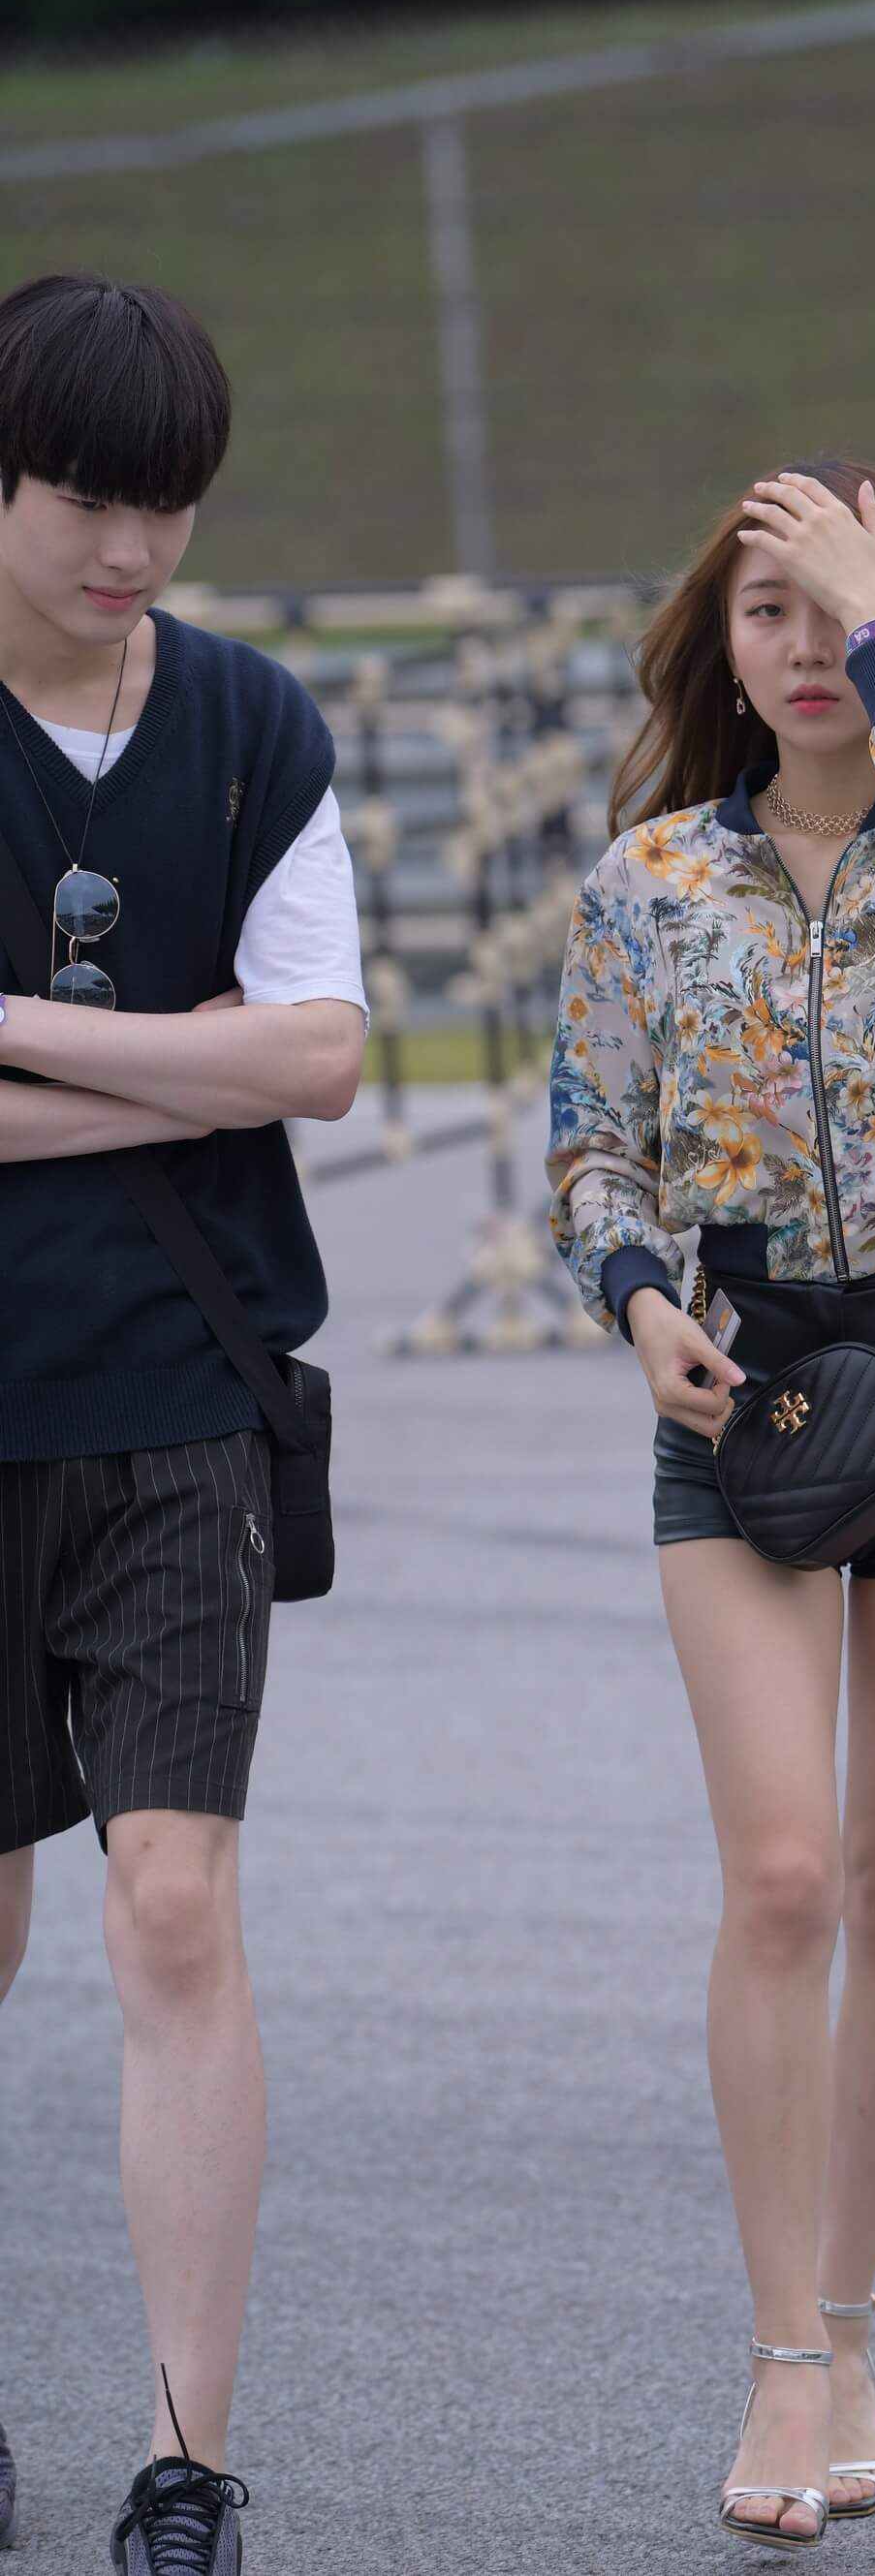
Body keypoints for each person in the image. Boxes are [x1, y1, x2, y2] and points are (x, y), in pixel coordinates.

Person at [547, 457, 875, 2549]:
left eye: (843, 607)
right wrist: (636, 1298)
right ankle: (779, 2355)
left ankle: (850, 2323)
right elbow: (593, 1143)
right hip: (740, 1384)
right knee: (781, 1878)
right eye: (767, 610)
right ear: (724, 650)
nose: (805, 647)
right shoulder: (651, 879)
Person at [0, 273, 368, 2574]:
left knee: (174, 1908)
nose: (129, 548)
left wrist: (26, 1040)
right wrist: (190, 1064)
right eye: (82, 500)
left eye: (169, 507)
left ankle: (180, 2457)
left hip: (184, 1401)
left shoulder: (247, 723)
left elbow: (320, 1054)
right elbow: (254, 1057)